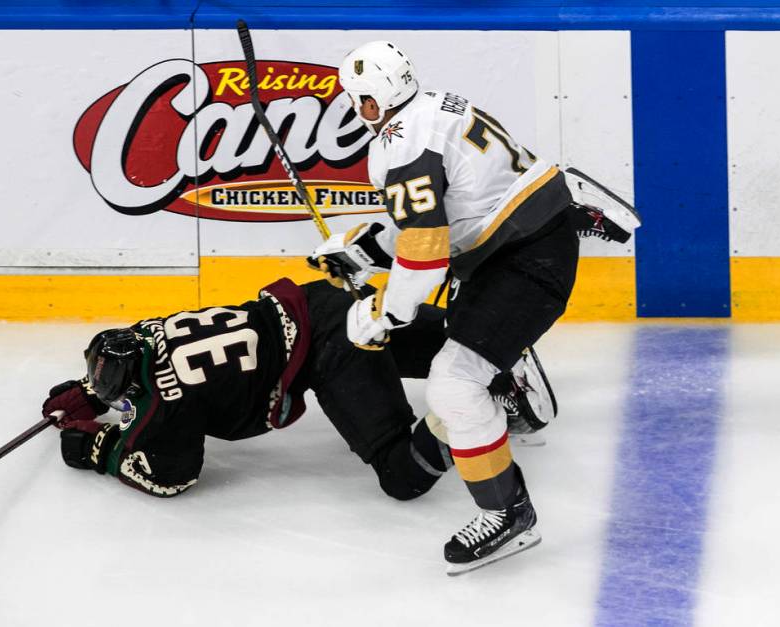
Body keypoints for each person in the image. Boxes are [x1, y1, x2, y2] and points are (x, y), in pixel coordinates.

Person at [308, 41, 639, 575]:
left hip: (526, 260)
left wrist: (384, 314)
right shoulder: (436, 106)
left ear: (373, 100)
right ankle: (508, 390)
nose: (359, 110)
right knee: (463, 353)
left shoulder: (398, 146)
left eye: (361, 100)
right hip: (513, 238)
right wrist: (360, 250)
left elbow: (425, 254)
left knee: (453, 383)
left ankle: (508, 513)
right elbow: (444, 217)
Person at [42, 278, 556, 505]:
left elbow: (172, 475)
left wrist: (98, 449)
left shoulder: (164, 405)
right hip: (322, 303)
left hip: (329, 353)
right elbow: (128, 369)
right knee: (438, 342)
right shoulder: (145, 330)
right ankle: (494, 355)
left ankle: (464, 409)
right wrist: (93, 392)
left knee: (402, 477)